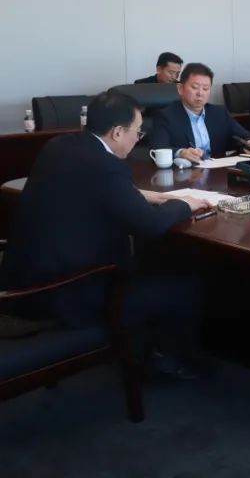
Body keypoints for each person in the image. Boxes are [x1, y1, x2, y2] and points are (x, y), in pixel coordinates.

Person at [0, 91, 211, 376]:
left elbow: (88, 188)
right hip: (66, 294)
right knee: (186, 286)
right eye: (138, 132)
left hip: (23, 283)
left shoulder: (59, 146)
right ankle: (165, 361)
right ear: (118, 132)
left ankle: (144, 345)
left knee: (151, 265)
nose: (138, 139)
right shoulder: (108, 167)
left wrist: (142, 195)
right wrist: (184, 204)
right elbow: (149, 225)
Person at [150, 63, 250, 162]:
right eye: (194, 87)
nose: (200, 93)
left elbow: (248, 136)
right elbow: (158, 148)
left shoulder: (219, 113)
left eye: (205, 88)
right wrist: (181, 153)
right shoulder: (166, 116)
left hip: (216, 172)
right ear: (180, 88)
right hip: (184, 173)